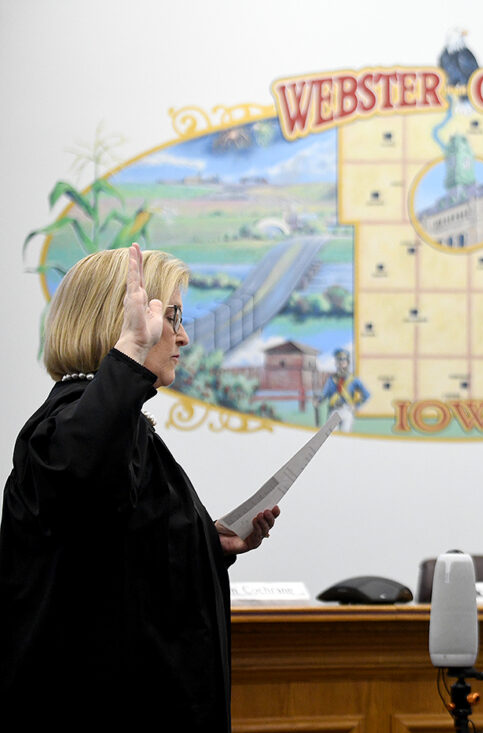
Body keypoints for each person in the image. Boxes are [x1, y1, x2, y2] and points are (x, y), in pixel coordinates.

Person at [0, 244, 280, 732]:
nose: (184, 335)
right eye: (172, 317)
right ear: (123, 321)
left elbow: (121, 552)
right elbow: (84, 478)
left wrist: (208, 543)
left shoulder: (119, 426)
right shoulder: (67, 427)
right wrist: (129, 351)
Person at [316, 347, 369, 431]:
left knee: (345, 436)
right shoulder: (331, 380)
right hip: (334, 411)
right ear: (336, 363)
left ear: (347, 362)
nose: (341, 362)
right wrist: (318, 400)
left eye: (343, 360)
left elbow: (366, 394)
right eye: (339, 360)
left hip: (347, 410)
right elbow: (324, 394)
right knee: (331, 435)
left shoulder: (353, 380)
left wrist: (356, 405)